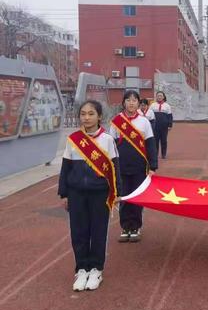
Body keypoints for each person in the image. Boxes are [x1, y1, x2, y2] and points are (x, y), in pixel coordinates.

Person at [58, 100, 121, 291]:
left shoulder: (108, 140)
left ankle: (96, 269)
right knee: (79, 232)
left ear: (99, 116)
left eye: (91, 113)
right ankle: (82, 269)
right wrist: (64, 193)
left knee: (98, 231)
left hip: (99, 193)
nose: (86, 117)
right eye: (83, 114)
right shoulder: (73, 139)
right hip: (76, 193)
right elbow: (66, 168)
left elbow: (114, 168)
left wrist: (116, 192)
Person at [110, 90, 157, 242]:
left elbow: (150, 145)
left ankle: (135, 226)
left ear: (138, 103)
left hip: (139, 166)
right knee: (123, 197)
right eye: (128, 100)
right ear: (123, 102)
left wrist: (153, 166)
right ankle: (125, 227)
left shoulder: (144, 122)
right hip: (121, 166)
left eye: (134, 100)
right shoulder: (116, 121)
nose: (131, 103)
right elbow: (111, 146)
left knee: (137, 197)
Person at [150, 91, 173, 159]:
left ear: (163, 97)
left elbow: (170, 116)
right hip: (155, 126)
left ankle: (163, 154)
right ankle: (156, 154)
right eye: (158, 96)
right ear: (156, 97)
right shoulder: (152, 105)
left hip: (164, 126)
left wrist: (170, 125)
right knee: (155, 141)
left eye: (161, 96)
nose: (159, 97)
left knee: (164, 140)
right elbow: (150, 115)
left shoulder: (167, 106)